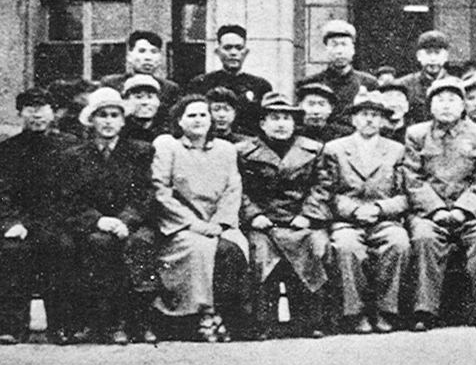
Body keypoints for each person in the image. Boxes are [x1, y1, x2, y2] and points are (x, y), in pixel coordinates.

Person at [56, 88, 159, 346]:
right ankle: (111, 323)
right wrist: (98, 220)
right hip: (94, 224)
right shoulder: (74, 156)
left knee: (141, 243)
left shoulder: (140, 152)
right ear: (91, 120)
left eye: (115, 115)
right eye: (102, 115)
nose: (109, 121)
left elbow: (145, 194)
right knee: (99, 243)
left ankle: (141, 321)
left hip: (132, 223)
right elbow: (70, 199)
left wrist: (126, 220)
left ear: (123, 121)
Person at [402, 78, 476, 330]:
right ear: (430, 106)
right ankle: (425, 311)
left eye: (452, 100)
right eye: (440, 100)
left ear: (463, 106)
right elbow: (413, 179)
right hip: (428, 211)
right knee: (424, 238)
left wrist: (462, 209)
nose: (446, 106)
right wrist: (435, 209)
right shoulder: (417, 134)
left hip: (471, 209)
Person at [152, 95, 250, 342]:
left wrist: (219, 223)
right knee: (200, 248)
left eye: (203, 114)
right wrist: (195, 225)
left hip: (218, 222)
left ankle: (228, 316)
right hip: (181, 224)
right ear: (179, 121)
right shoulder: (168, 146)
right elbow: (161, 191)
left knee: (236, 246)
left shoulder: (226, 150)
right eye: (191, 115)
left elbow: (233, 189)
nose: (198, 120)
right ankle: (204, 315)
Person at [313, 91, 410, 334]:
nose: (369, 120)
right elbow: (327, 192)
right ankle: (355, 313)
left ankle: (385, 310)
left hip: (384, 220)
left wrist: (380, 208)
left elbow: (406, 194)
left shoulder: (397, 150)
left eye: (375, 115)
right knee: (346, 247)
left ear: (382, 120)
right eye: (363, 114)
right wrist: (354, 209)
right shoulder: (334, 149)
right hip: (347, 220)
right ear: (353, 119)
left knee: (398, 242)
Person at [234, 92, 329, 339]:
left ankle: (309, 320)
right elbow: (237, 188)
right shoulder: (243, 151)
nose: (281, 124)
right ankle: (262, 322)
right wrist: (253, 215)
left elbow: (322, 187)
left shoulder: (313, 149)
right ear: (262, 123)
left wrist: (308, 215)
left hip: (299, 220)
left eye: (286, 118)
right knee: (259, 252)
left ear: (295, 122)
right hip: (262, 222)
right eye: (274, 118)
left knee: (311, 246)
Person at [0, 88, 77, 344]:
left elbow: (75, 191)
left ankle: (62, 325)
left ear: (53, 112)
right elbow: (3, 193)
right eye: (30, 108)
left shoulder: (70, 146)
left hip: (58, 221)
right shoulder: (7, 150)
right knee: (12, 250)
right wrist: (11, 222)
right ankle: (11, 326)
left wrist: (59, 221)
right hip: (21, 223)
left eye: (43, 108)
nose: (37, 114)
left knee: (62, 246)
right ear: (19, 113)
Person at [185, 24, 273, 136]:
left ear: (246, 52)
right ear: (217, 52)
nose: (233, 53)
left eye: (239, 48)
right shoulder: (200, 83)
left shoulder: (261, 86)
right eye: (227, 48)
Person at [297, 20, 380, 126]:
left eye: (344, 44)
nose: (339, 51)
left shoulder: (369, 83)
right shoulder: (310, 83)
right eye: (334, 45)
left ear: (353, 50)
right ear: (326, 50)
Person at [101, 30, 182, 112]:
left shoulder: (169, 89)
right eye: (142, 51)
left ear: (160, 58)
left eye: (154, 52)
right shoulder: (112, 84)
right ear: (129, 56)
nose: (148, 57)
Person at [394, 30, 453, 125]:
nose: (433, 59)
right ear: (419, 56)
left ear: (446, 56)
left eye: (437, 53)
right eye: (428, 53)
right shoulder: (404, 84)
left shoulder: (455, 84)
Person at [120, 74, 167, 145]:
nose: (145, 102)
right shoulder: (120, 130)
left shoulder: (166, 129)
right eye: (138, 97)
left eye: (150, 97)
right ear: (125, 101)